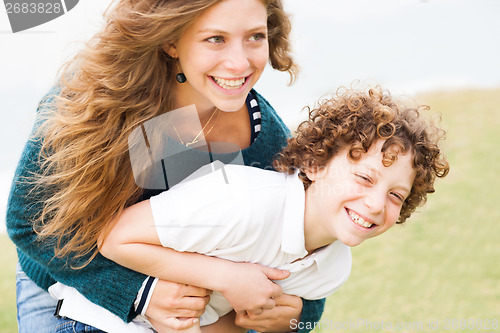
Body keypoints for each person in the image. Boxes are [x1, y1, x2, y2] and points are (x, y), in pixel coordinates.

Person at [6, 0, 326, 332]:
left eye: (255, 37)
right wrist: (142, 294)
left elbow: (311, 238)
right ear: (171, 40)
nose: (240, 62)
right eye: (215, 38)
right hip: (66, 271)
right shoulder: (94, 100)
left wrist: (301, 313)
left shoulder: (265, 140)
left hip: (189, 298)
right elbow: (26, 224)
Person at [52, 86, 449, 332]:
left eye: (396, 195)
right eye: (363, 179)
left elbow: (237, 319)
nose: (377, 203)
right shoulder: (243, 203)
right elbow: (114, 236)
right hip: (96, 321)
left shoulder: (331, 270)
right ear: (313, 165)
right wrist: (227, 275)